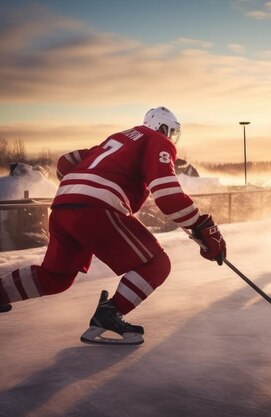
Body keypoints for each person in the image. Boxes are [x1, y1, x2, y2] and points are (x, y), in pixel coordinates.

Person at [0, 107, 227, 344]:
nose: (171, 137)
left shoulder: (116, 139)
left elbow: (64, 163)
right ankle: (108, 316)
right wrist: (203, 225)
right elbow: (168, 195)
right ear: (162, 127)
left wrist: (85, 179)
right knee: (155, 264)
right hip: (96, 207)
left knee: (55, 277)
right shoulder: (157, 140)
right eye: (171, 131)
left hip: (63, 204)